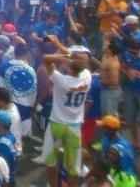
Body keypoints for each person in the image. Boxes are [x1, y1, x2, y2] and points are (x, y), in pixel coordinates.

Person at [42, 47, 91, 187]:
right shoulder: (87, 77)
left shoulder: (60, 79)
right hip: (74, 126)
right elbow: (85, 65)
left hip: (56, 124)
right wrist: (72, 60)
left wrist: (65, 57)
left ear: (69, 66)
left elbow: (46, 58)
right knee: (73, 167)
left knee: (50, 161)